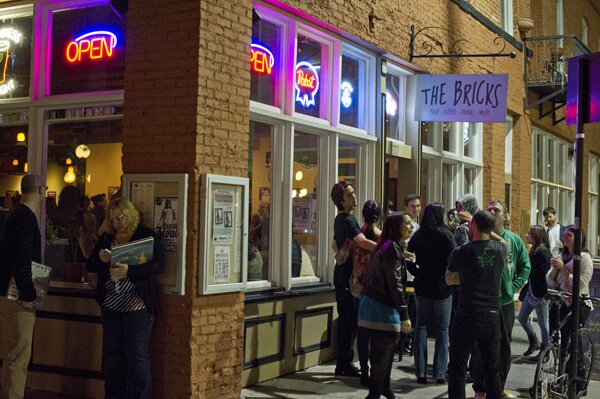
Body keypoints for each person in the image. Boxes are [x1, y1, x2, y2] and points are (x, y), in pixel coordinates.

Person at [86, 198, 165, 399]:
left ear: (129, 215)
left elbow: (158, 265)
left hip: (136, 305)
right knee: (113, 355)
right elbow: (91, 265)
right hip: (111, 304)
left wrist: (130, 270)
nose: (116, 224)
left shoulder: (145, 235)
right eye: (111, 220)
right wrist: (101, 259)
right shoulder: (107, 238)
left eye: (119, 218)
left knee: (137, 355)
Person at [471, 200, 530, 399]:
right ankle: (480, 389)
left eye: (497, 210)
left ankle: (498, 387)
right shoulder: (478, 240)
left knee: (503, 348)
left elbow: (525, 266)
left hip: (504, 303)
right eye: (489, 210)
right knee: (480, 347)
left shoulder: (513, 240)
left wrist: (513, 287)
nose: (493, 212)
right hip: (482, 303)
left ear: (505, 216)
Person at [446, 210, 507, 399]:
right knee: (492, 367)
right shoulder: (501, 250)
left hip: (468, 311)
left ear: (472, 225)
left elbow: (449, 279)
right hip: (491, 313)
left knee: (458, 365)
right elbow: (503, 241)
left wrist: (467, 278)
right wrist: (489, 228)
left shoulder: (462, 251)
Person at [0, 174, 46, 399]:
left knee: (11, 356)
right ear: (40, 190)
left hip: (6, 293)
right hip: (17, 297)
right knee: (18, 358)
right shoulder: (27, 218)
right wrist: (29, 294)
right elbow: (23, 259)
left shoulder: (13, 215)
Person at [358, 212, 413, 399]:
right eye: (407, 223)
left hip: (373, 305)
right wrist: (404, 314)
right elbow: (395, 284)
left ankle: (385, 389)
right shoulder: (392, 249)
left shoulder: (388, 246)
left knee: (385, 352)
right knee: (382, 354)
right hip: (381, 308)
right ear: (396, 226)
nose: (411, 226)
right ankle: (374, 394)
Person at [331, 181, 377, 377]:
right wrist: (387, 249)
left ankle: (344, 362)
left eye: (354, 193)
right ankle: (344, 364)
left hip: (342, 273)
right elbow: (362, 242)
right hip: (347, 277)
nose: (354, 197)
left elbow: (336, 245)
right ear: (341, 200)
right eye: (349, 195)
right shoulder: (348, 221)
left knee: (346, 320)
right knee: (349, 322)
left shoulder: (341, 219)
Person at [407, 203, 456, 385]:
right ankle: (439, 373)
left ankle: (420, 372)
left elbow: (408, 255)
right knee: (443, 330)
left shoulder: (419, 235)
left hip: (422, 284)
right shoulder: (446, 235)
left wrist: (416, 270)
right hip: (442, 286)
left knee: (421, 327)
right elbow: (454, 259)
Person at [546, 226, 594, 368]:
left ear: (578, 239)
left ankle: (576, 377)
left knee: (573, 342)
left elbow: (579, 283)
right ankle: (557, 375)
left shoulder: (584, 258)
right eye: (564, 235)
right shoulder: (563, 255)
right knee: (556, 340)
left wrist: (563, 268)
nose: (565, 238)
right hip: (561, 301)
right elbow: (549, 281)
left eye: (569, 235)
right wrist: (555, 268)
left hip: (578, 303)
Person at [353, 200, 382, 386]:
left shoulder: (357, 234)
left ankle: (364, 371)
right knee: (378, 333)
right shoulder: (381, 237)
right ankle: (375, 372)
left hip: (357, 286)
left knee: (362, 333)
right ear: (379, 216)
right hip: (375, 288)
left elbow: (339, 254)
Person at [517, 225, 551, 358]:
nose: (526, 235)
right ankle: (534, 340)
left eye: (530, 234)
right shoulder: (535, 250)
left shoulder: (543, 252)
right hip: (532, 291)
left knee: (543, 323)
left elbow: (545, 274)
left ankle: (545, 350)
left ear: (537, 236)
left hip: (540, 293)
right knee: (522, 317)